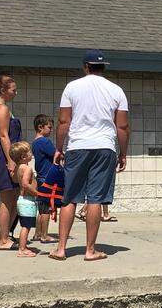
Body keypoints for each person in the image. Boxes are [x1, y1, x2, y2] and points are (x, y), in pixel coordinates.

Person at [51, 50, 130, 262]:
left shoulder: (72, 87)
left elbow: (63, 122)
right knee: (95, 199)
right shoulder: (116, 90)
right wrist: (123, 153)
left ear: (86, 66)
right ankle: (90, 250)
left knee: (70, 197)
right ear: (103, 68)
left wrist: (59, 147)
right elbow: (122, 125)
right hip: (105, 146)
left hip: (77, 146)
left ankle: (60, 249)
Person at [0, 73, 22, 251]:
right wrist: (11, 161)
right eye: (13, 90)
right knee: (7, 198)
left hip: (6, 156)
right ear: (3, 90)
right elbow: (3, 136)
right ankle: (2, 240)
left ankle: (5, 235)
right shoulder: (1, 109)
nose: (16, 93)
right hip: (3, 157)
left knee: (14, 196)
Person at [31, 114, 61, 243]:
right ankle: (44, 235)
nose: (51, 130)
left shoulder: (35, 143)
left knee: (41, 208)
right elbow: (56, 154)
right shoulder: (44, 141)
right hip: (47, 178)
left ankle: (37, 234)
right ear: (40, 127)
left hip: (40, 177)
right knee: (47, 209)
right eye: (49, 127)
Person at [10, 142, 41, 257]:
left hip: (22, 200)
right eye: (29, 152)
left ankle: (23, 246)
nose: (31, 154)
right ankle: (22, 249)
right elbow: (25, 184)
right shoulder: (27, 168)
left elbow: (14, 180)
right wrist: (38, 194)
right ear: (23, 157)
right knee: (26, 227)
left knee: (25, 225)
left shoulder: (19, 168)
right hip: (28, 201)